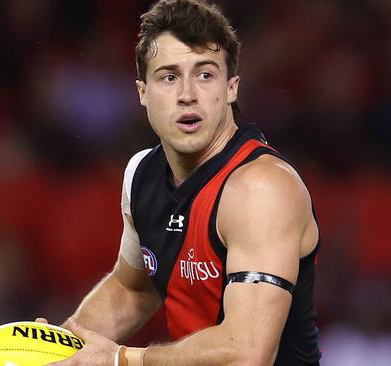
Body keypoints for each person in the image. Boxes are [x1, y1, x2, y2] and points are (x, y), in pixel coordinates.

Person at [40, 0, 321, 364]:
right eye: (169, 76)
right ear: (142, 92)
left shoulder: (260, 188)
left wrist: (121, 359)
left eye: (205, 75)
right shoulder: (142, 174)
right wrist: (61, 348)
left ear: (231, 88)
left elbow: (248, 355)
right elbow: (133, 288)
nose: (188, 94)